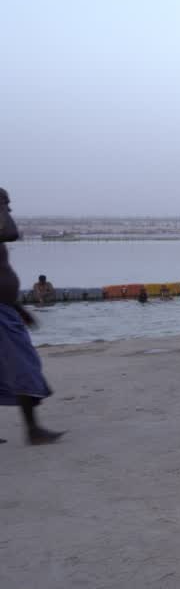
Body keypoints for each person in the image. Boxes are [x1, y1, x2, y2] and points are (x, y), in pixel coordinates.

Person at [0, 188, 65, 445]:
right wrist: (0, 204)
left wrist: (19, 308)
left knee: (12, 368)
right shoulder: (3, 228)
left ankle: (33, 429)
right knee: (24, 366)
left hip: (6, 308)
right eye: (8, 206)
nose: (10, 211)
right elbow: (11, 232)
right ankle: (33, 431)